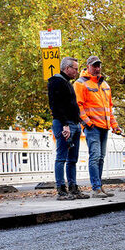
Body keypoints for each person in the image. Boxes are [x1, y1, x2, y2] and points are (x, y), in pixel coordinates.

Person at [74, 55, 122, 198]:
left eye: (98, 65)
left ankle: (99, 187)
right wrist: (87, 123)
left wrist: (115, 126)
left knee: (100, 158)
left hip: (104, 127)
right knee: (95, 157)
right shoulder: (81, 83)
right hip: (93, 127)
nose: (97, 68)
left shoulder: (105, 85)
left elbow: (109, 109)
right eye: (94, 65)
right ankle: (96, 188)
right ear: (88, 66)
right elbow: (78, 106)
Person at [47, 57, 88, 200]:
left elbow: (71, 105)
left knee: (72, 159)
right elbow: (56, 106)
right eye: (75, 69)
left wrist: (79, 122)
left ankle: (73, 188)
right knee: (61, 158)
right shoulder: (56, 82)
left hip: (74, 124)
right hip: (65, 124)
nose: (77, 72)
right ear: (67, 68)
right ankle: (61, 191)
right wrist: (65, 125)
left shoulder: (67, 83)